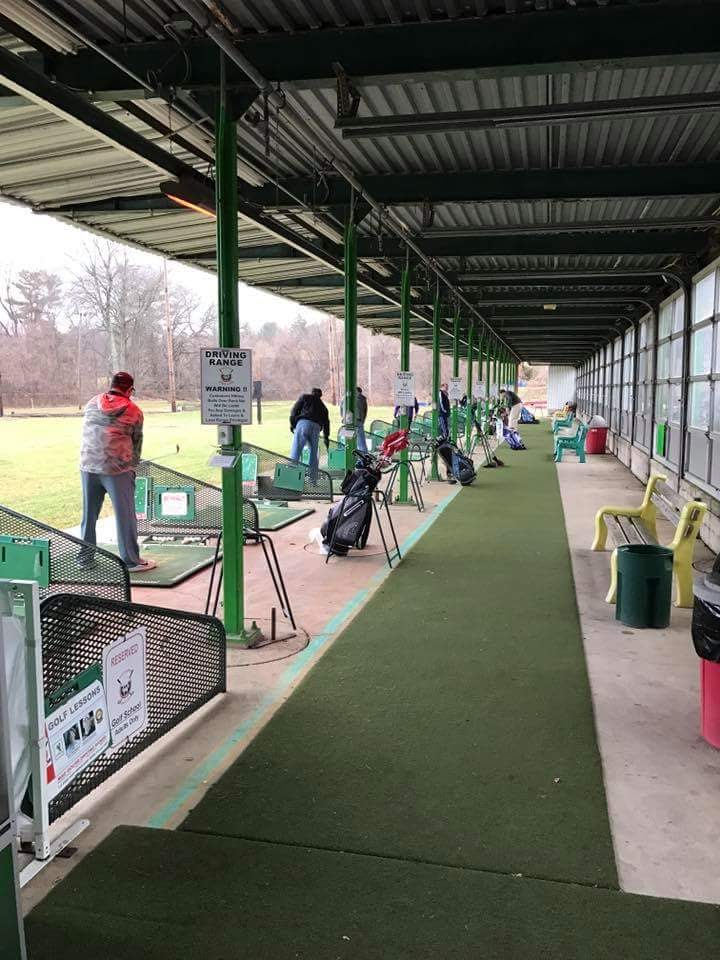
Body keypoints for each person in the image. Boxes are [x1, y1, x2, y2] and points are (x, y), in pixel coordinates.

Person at [79, 371, 156, 573]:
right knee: (125, 516)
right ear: (129, 390)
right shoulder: (134, 410)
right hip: (117, 468)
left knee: (89, 515)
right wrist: (133, 465)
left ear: (111, 385)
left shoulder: (92, 403)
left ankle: (85, 559)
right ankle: (131, 561)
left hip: (88, 465)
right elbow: (136, 443)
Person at [290, 387, 330, 484]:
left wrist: (292, 424)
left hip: (303, 423)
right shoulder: (323, 407)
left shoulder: (305, 397)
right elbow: (326, 423)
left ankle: (291, 478)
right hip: (316, 427)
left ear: (312, 392)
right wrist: (326, 437)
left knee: (296, 450)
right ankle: (313, 480)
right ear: (320, 396)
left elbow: (294, 410)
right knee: (313, 454)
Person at [340, 385, 369, 453]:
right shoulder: (362, 398)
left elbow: (341, 410)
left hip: (347, 421)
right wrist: (362, 421)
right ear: (359, 392)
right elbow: (364, 411)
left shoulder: (345, 397)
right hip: (358, 421)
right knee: (361, 441)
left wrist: (344, 418)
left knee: (347, 440)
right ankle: (364, 455)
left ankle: (348, 454)